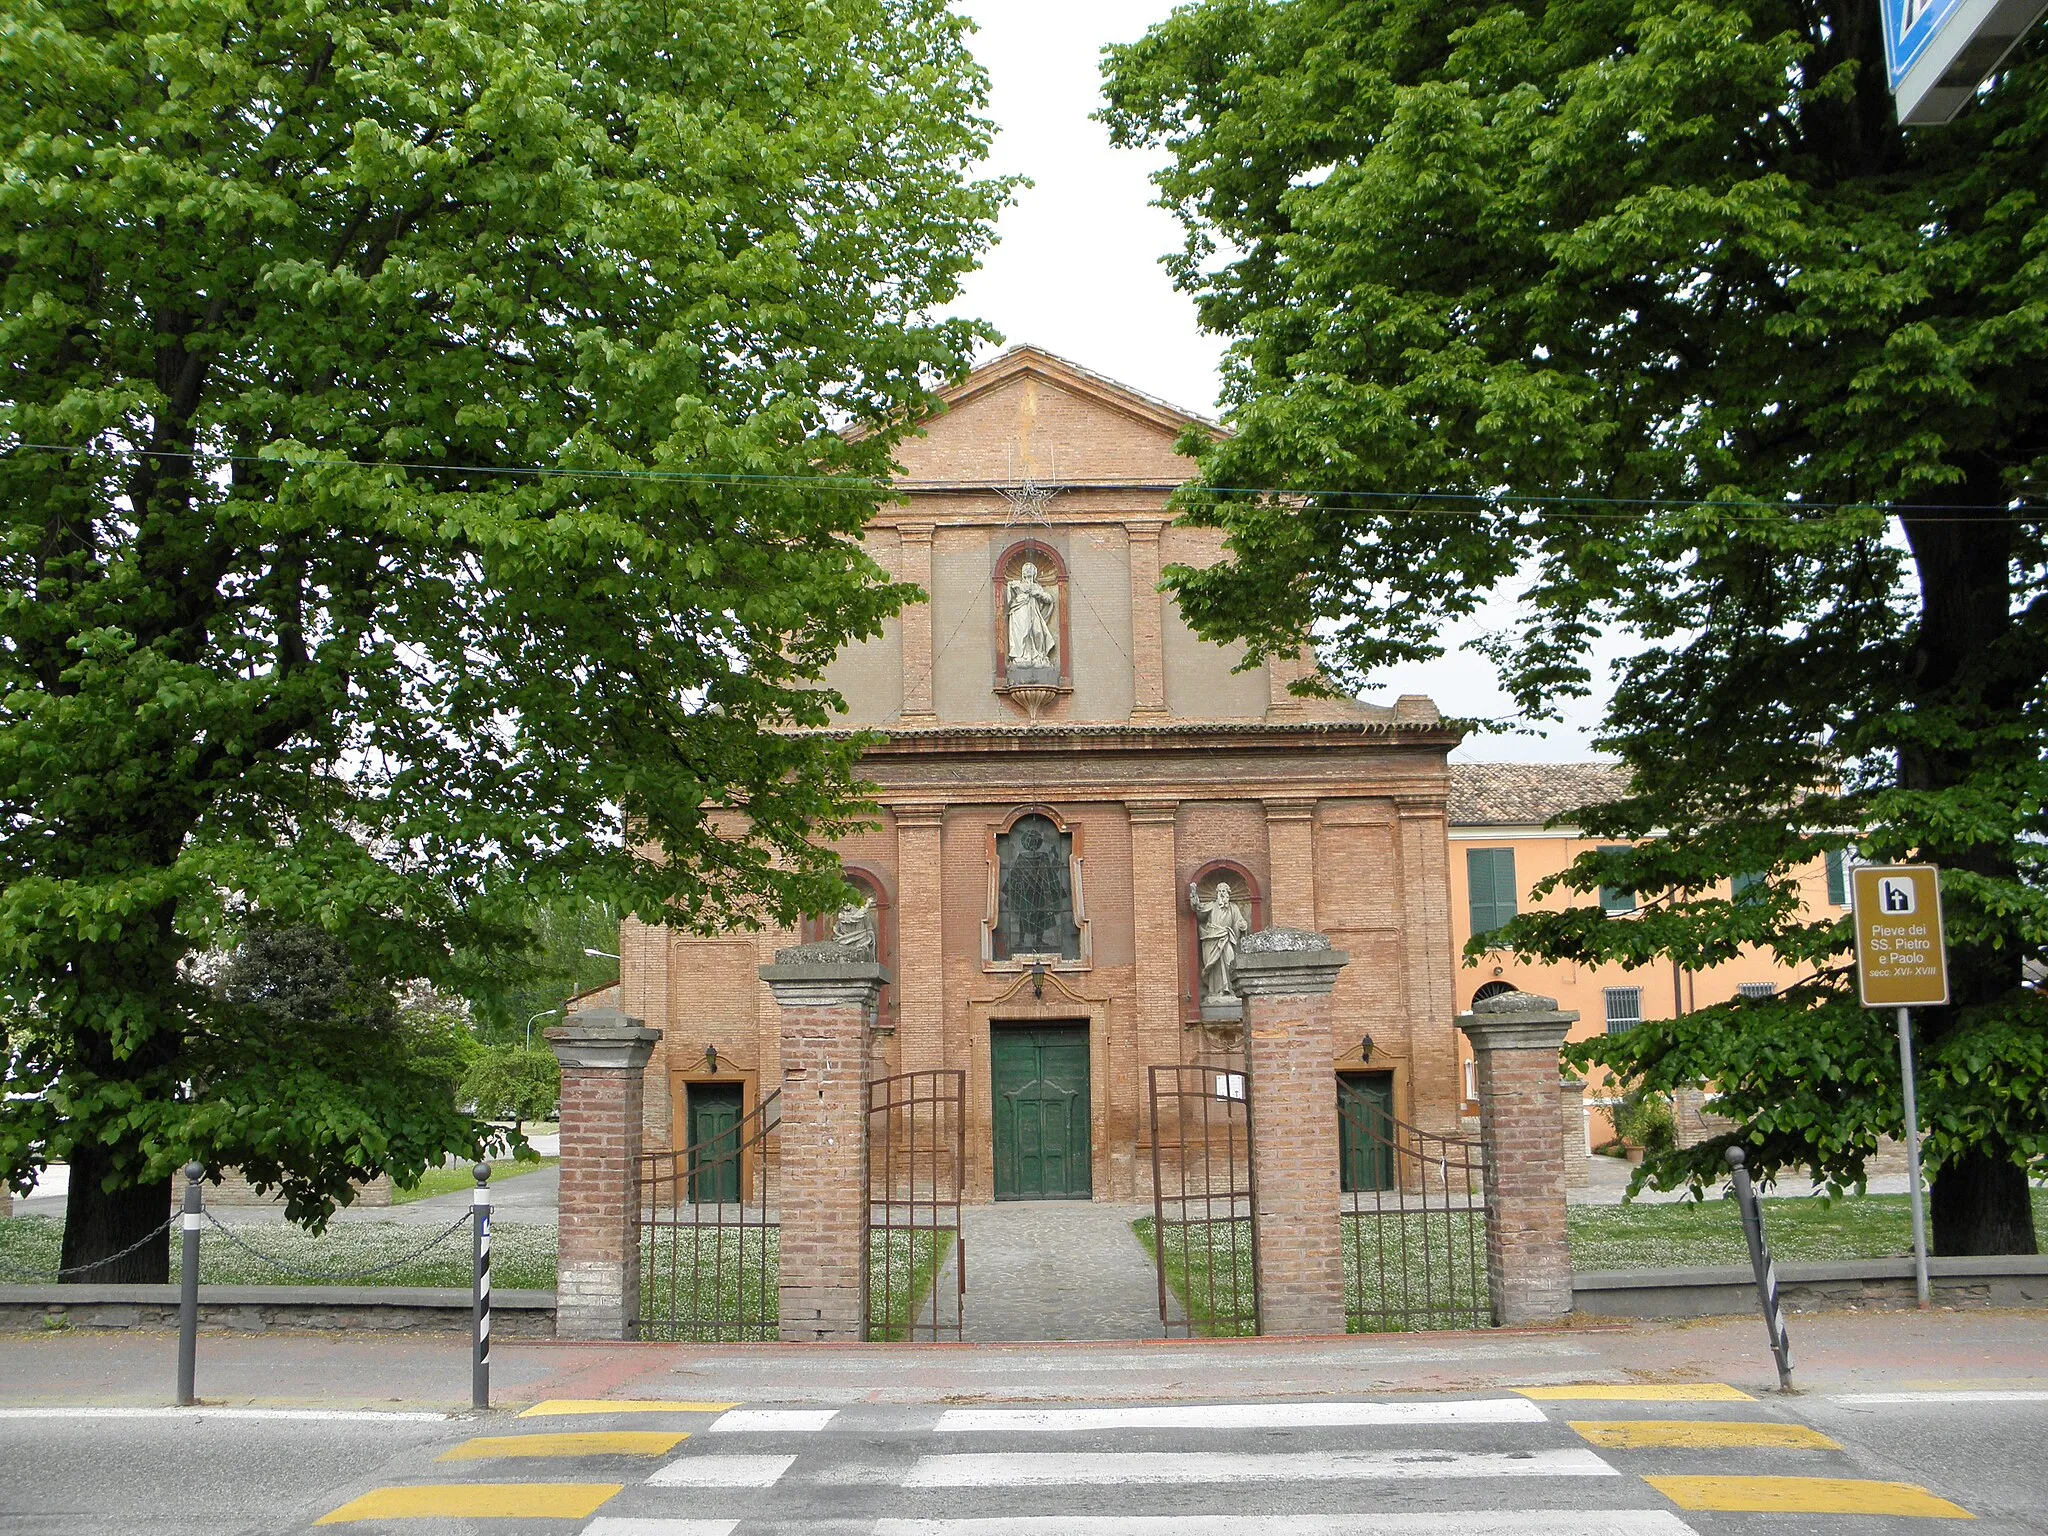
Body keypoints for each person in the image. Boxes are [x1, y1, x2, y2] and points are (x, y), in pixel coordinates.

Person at [1191, 879, 1250, 1002]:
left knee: (1230, 962)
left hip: (1226, 938)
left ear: (1228, 893)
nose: (1222, 894)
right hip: (1211, 939)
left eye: (1224, 891)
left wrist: (1242, 925)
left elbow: (1239, 920)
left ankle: (1231, 989)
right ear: (1217, 893)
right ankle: (1215, 991)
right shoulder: (1212, 905)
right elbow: (1199, 909)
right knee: (1214, 966)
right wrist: (1194, 897)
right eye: (1220, 891)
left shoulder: (1233, 908)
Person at [1005, 560, 1058, 670]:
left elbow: (1049, 599)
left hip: (1034, 612)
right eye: (1026, 569)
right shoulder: (1017, 584)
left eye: (1031, 569)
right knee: (1023, 633)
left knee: (1037, 632)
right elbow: (1008, 601)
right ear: (1023, 573)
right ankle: (1022, 657)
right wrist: (1010, 588)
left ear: (1035, 573)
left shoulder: (1037, 587)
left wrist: (1038, 594)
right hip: (1020, 611)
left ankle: (1038, 656)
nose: (1028, 571)